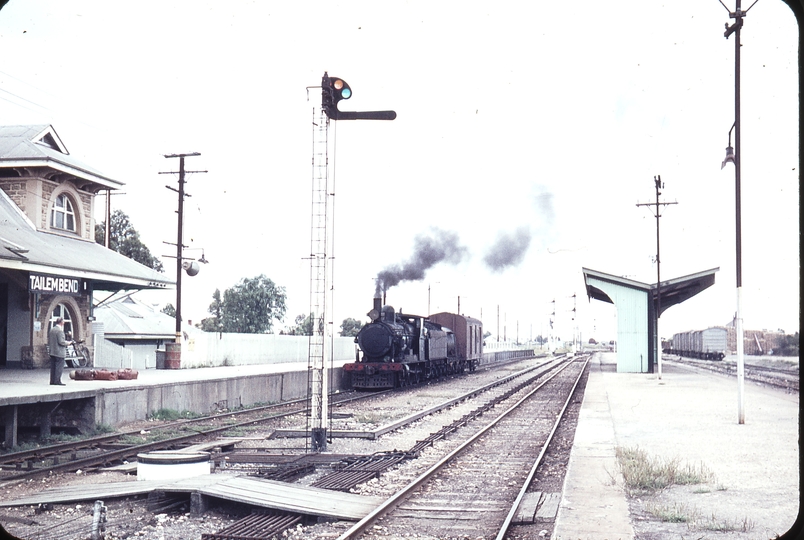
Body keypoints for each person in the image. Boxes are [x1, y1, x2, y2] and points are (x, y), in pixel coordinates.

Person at [48, 317, 68, 386]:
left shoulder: (52, 330)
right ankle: (57, 381)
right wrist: (68, 343)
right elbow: (61, 342)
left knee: (53, 367)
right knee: (59, 367)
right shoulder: (60, 331)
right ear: (61, 322)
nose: (64, 323)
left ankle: (52, 380)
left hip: (52, 351)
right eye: (63, 322)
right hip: (59, 352)